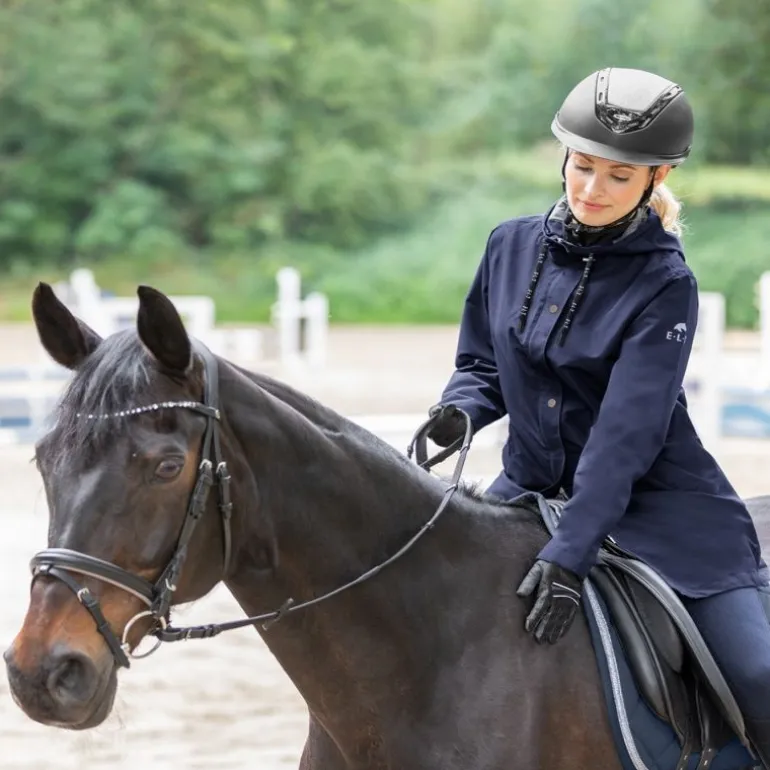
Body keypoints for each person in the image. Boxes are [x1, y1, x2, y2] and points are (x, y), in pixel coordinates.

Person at [428, 67, 770, 765]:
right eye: (582, 168)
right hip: (526, 492)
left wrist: (570, 555)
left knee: (759, 675)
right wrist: (460, 412)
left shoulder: (666, 285)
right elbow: (484, 365)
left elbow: (625, 439)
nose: (590, 190)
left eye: (618, 177)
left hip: (663, 510)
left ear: (657, 177)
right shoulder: (508, 245)